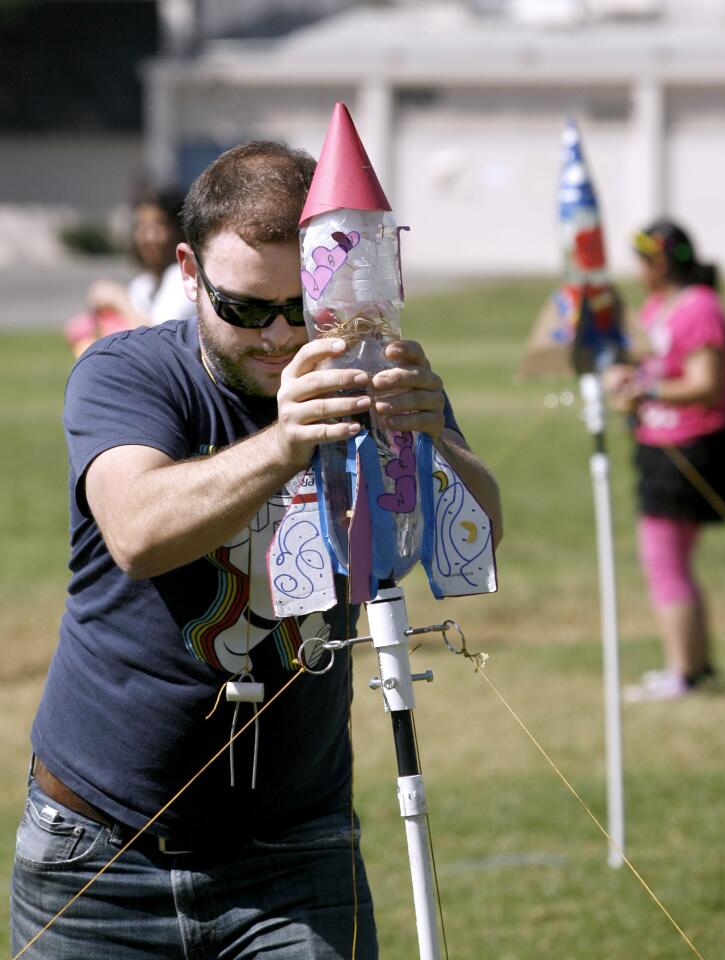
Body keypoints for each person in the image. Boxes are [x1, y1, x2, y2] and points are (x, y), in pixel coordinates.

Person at [11, 141, 502, 958]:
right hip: (96, 855)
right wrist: (287, 443)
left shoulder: (375, 375)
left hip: (296, 852)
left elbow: (472, 535)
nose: (277, 337)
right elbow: (135, 530)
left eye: (299, 308)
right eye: (244, 309)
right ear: (188, 272)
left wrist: (433, 444)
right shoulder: (126, 372)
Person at [605, 219, 725, 703]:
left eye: (645, 259)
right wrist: (628, 381)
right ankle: (697, 666)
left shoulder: (700, 306)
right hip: (660, 446)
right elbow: (654, 365)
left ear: (663, 261)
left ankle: (682, 674)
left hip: (690, 449)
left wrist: (647, 388)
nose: (640, 269)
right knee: (675, 562)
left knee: (663, 561)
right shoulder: (658, 306)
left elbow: (706, 382)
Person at [64, 186, 196, 358]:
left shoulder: (185, 277)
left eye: (158, 226)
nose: (147, 237)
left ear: (180, 230)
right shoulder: (144, 285)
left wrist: (116, 298)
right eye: (141, 226)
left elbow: (157, 340)